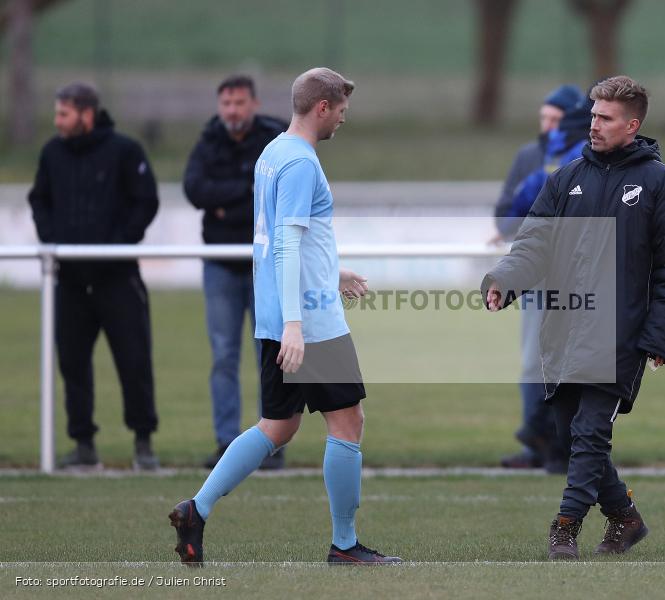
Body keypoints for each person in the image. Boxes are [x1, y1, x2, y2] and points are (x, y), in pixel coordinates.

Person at [169, 67, 401, 566]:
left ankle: (197, 508)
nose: (343, 118)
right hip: (309, 323)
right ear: (322, 107)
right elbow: (286, 249)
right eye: (341, 109)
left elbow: (281, 240)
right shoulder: (300, 164)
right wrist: (298, 324)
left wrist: (331, 272)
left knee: (278, 426)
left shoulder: (272, 153)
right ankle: (344, 545)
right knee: (347, 423)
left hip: (279, 316)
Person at [482, 76, 665, 559]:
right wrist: (503, 281)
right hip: (562, 326)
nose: (593, 125)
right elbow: (533, 243)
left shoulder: (663, 185)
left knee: (590, 433)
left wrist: (661, 337)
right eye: (593, 115)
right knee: (570, 431)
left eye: (605, 118)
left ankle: (565, 527)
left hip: (620, 333)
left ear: (632, 124)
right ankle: (625, 517)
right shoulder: (567, 177)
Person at [27, 83, 160, 470]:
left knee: (134, 362)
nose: (57, 122)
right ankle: (83, 443)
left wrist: (118, 244)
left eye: (64, 114)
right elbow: (39, 200)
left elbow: (145, 201)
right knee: (72, 363)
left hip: (118, 278)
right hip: (68, 281)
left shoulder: (125, 151)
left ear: (86, 114)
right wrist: (53, 240)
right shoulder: (52, 153)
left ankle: (143, 444)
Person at [183, 75, 288, 470]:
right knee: (224, 355)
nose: (232, 110)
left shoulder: (275, 137)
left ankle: (270, 442)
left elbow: (275, 195)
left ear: (254, 103)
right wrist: (244, 194)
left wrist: (226, 203)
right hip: (221, 267)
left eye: (239, 103)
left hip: (267, 266)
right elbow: (195, 190)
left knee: (269, 352)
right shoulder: (209, 140)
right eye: (226, 103)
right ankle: (227, 443)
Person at [493, 85, 588, 474]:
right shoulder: (530, 157)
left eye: (555, 119)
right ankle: (540, 444)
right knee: (534, 363)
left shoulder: (585, 156)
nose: (548, 126)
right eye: (544, 117)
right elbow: (504, 218)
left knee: (572, 365)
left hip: (576, 278)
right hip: (535, 276)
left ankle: (559, 447)